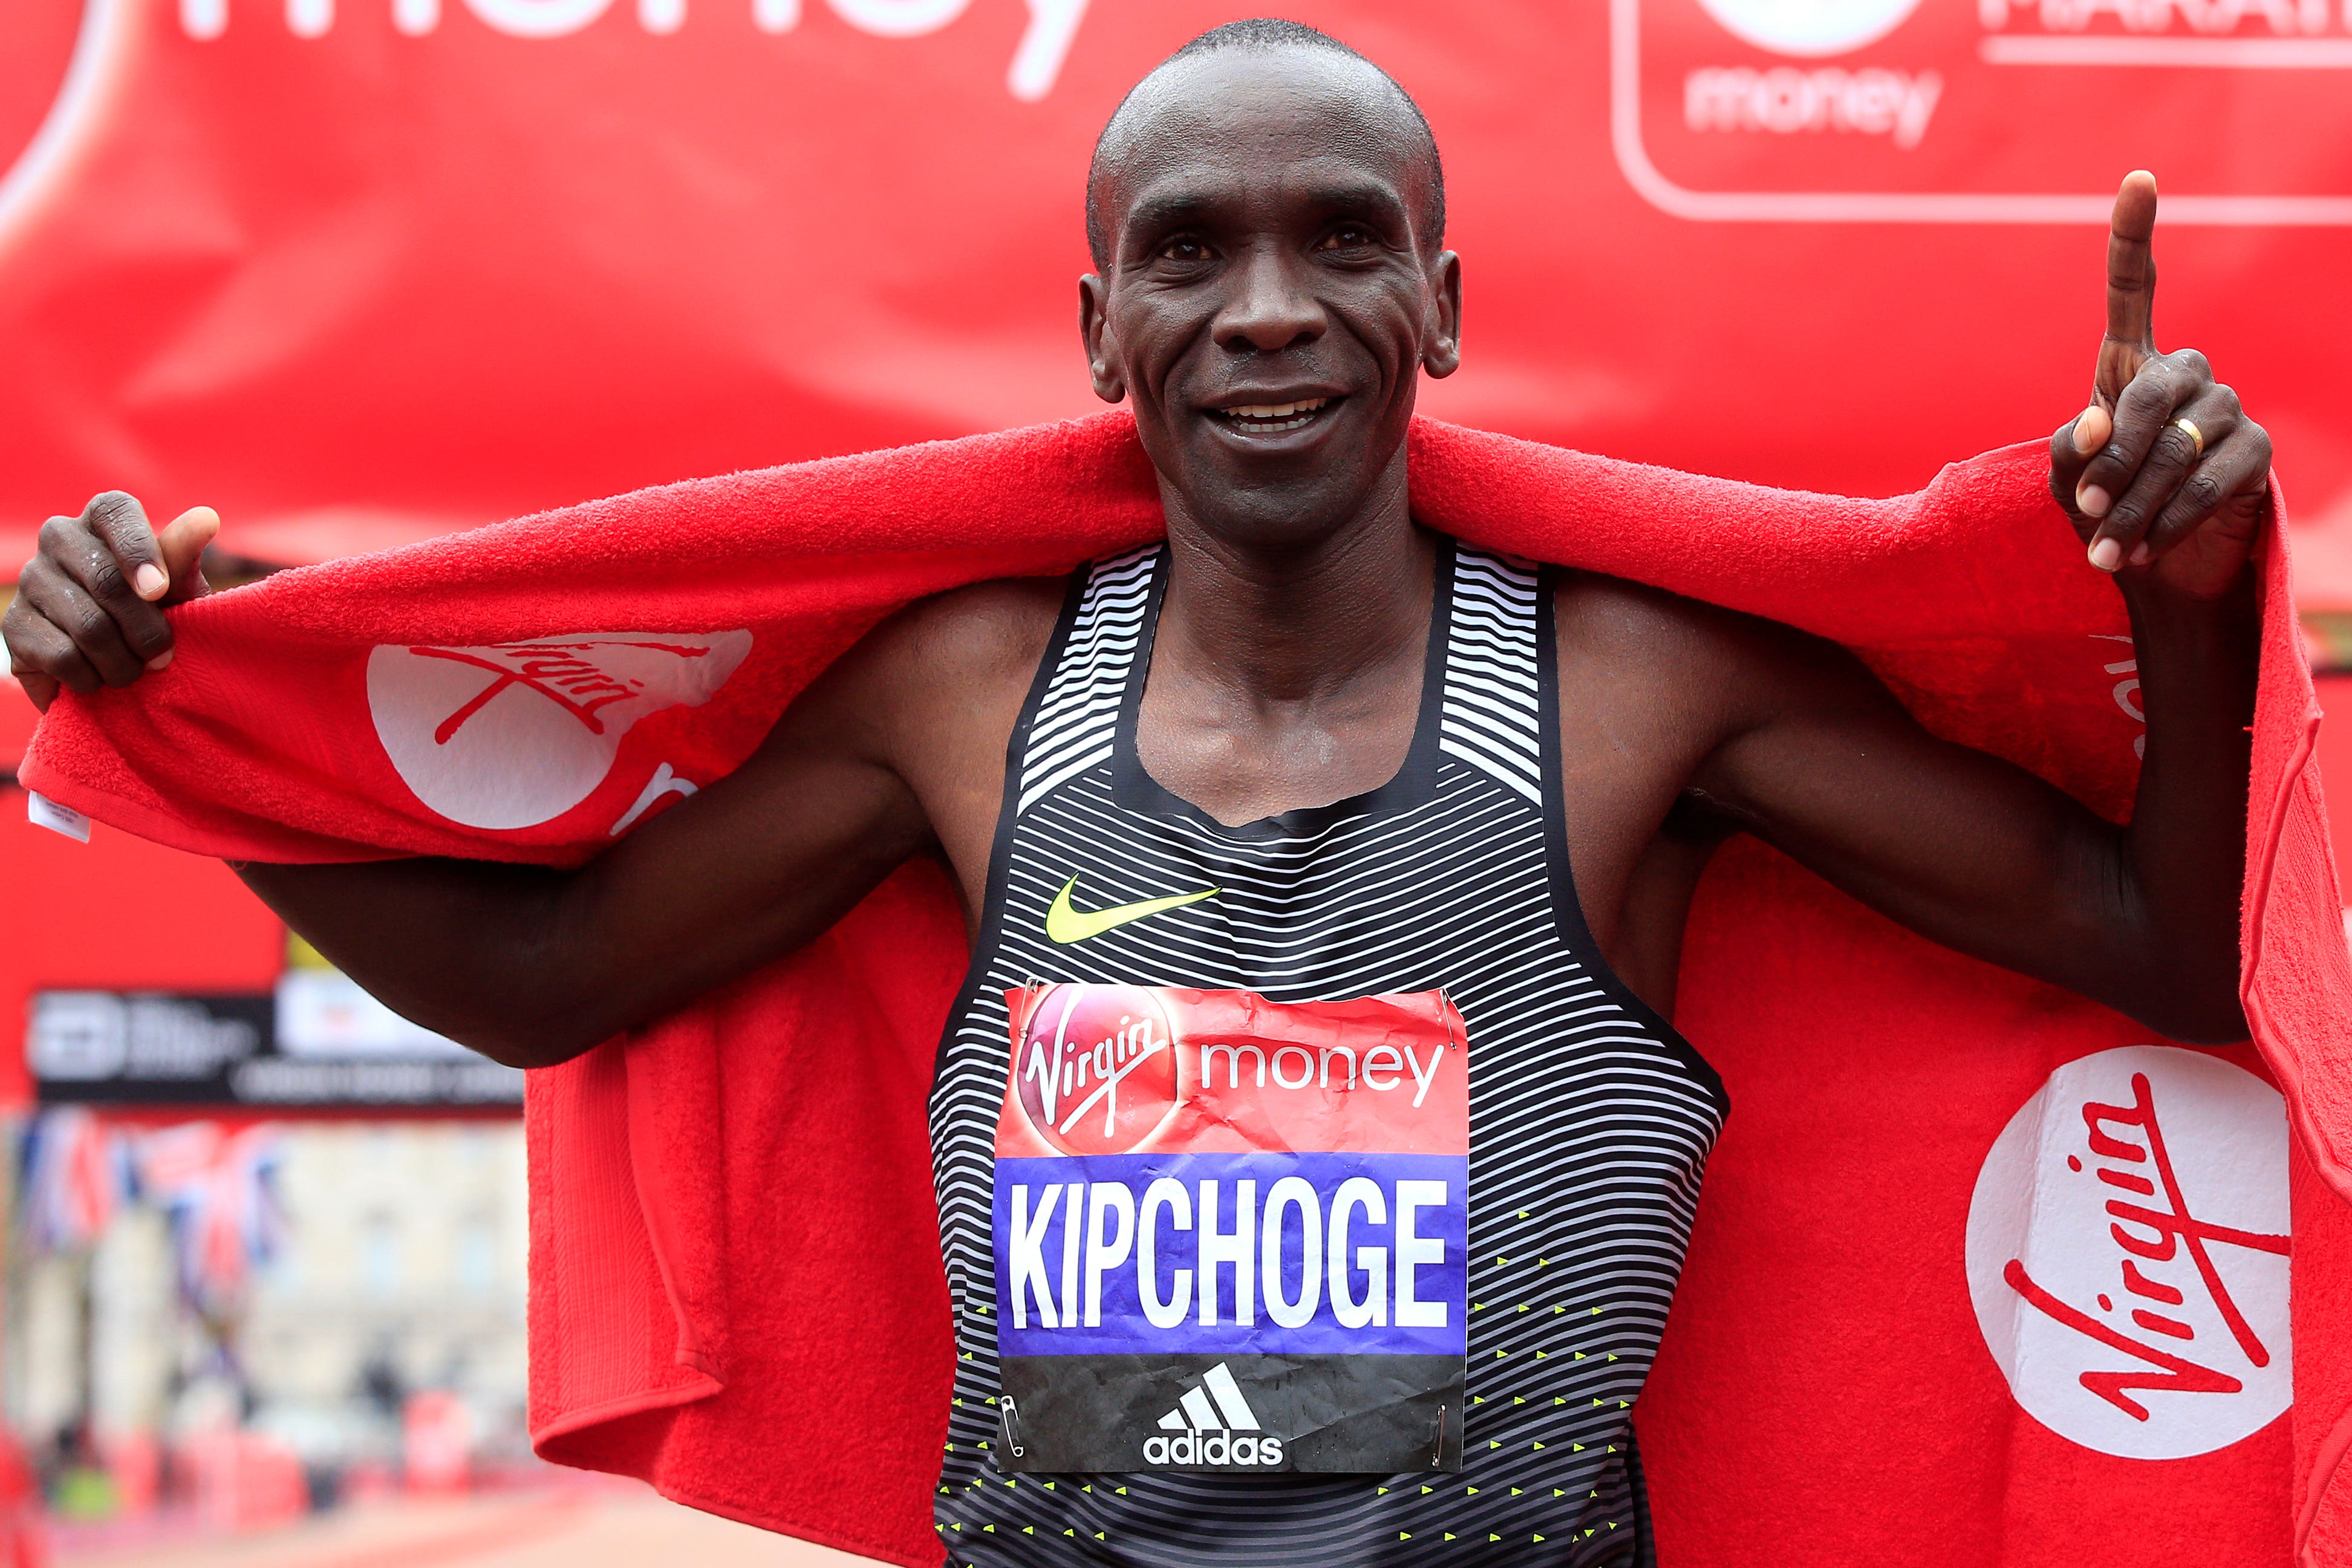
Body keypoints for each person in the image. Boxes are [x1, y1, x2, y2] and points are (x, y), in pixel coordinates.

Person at [1, 19, 2275, 1565]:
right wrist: (172, 723)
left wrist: (2179, 599)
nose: (1266, 309)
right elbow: (548, 978)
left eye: (1338, 240)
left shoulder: (1630, 690)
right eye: (1189, 252)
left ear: (1443, 302)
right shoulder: (975, 698)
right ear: (1099, 333)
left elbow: (2161, 952)